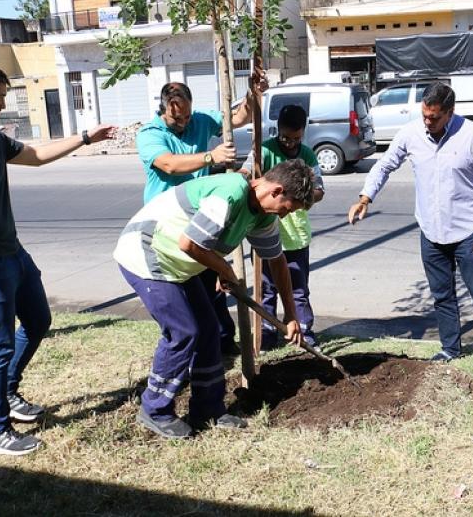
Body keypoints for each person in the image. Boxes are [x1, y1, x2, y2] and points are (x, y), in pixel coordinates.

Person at [0, 61, 116, 456]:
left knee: (38, 321)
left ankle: (9, 390)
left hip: (13, 253)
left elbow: (36, 154)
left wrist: (84, 137)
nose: (3, 105)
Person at [113, 159, 315, 438]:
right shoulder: (229, 193)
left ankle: (207, 408)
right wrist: (224, 268)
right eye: (287, 209)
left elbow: (277, 261)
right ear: (276, 191)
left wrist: (290, 314)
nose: (283, 216)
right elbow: (190, 243)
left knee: (210, 330)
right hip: (148, 253)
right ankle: (154, 409)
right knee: (184, 332)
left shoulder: (263, 214)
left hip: (182, 265)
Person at [347, 82, 473, 369]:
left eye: (434, 117)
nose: (428, 122)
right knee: (442, 295)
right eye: (424, 116)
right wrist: (366, 196)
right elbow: (384, 165)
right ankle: (450, 348)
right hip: (431, 232)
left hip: (469, 231)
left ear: (450, 112)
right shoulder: (411, 133)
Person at [136, 79, 266, 355]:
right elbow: (169, 164)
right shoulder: (150, 133)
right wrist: (210, 156)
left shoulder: (201, 119)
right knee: (180, 291)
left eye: (186, 116)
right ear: (163, 109)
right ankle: (187, 346)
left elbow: (238, 117)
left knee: (213, 284)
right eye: (176, 117)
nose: (183, 122)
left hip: (200, 216)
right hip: (167, 225)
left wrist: (252, 93)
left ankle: (223, 341)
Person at [241, 105, 325, 350]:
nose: (289, 143)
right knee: (267, 288)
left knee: (298, 289)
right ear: (277, 130)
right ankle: (267, 333)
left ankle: (304, 332)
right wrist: (243, 173)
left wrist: (303, 195)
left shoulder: (307, 156)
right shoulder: (264, 150)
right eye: (285, 137)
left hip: (295, 238)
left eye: (296, 138)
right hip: (265, 232)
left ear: (304, 132)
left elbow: (319, 189)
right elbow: (247, 172)